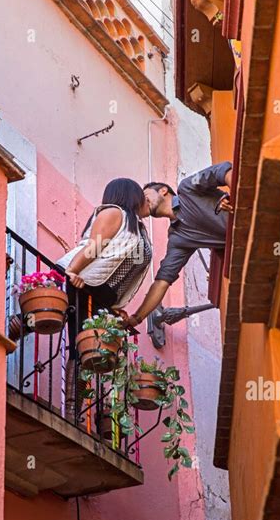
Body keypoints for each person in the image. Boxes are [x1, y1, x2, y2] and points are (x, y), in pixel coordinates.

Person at [56, 178, 152, 419]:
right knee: (80, 344)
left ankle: (75, 408)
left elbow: (124, 268)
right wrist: (73, 271)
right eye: (142, 195)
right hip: (81, 280)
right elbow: (95, 246)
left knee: (88, 348)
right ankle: (71, 409)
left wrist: (116, 306)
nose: (145, 200)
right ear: (131, 195)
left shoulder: (138, 228)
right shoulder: (114, 213)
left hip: (98, 292)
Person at [125, 161, 233, 328]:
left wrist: (238, 195)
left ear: (163, 190)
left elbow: (222, 170)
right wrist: (136, 319)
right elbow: (162, 281)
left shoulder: (188, 187)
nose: (140, 201)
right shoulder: (177, 239)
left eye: (144, 195)